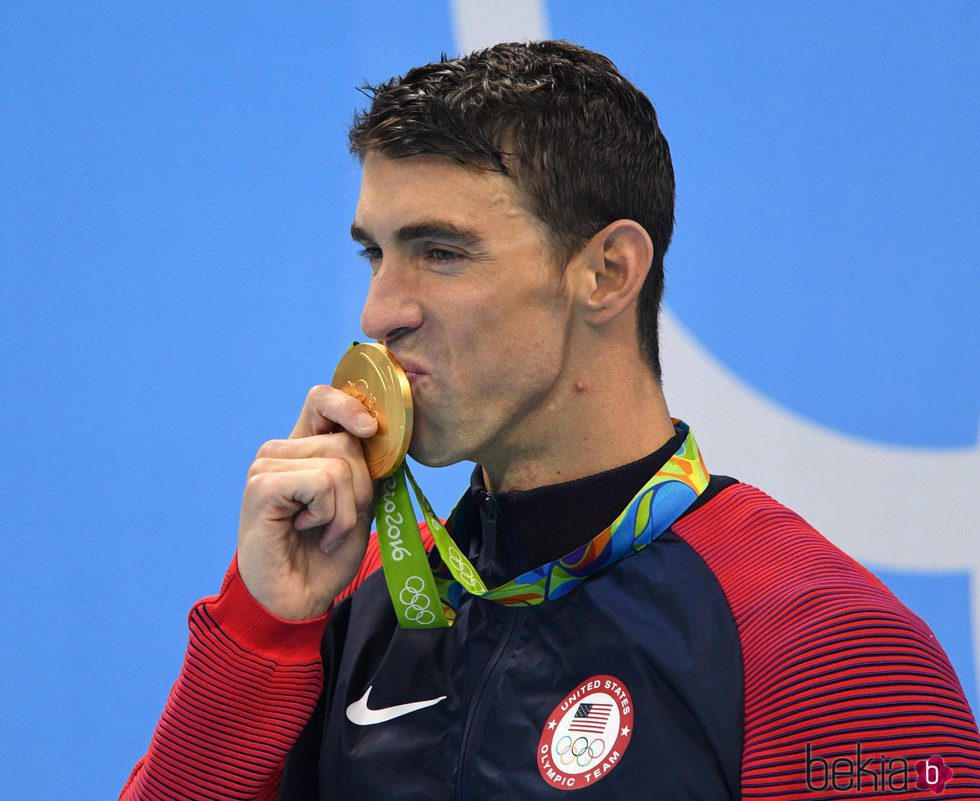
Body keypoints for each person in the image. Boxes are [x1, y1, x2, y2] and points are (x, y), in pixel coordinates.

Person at [119, 41, 980, 800]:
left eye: (441, 254)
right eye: (375, 253)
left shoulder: (827, 645)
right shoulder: (350, 589)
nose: (380, 310)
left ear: (607, 271)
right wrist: (265, 624)